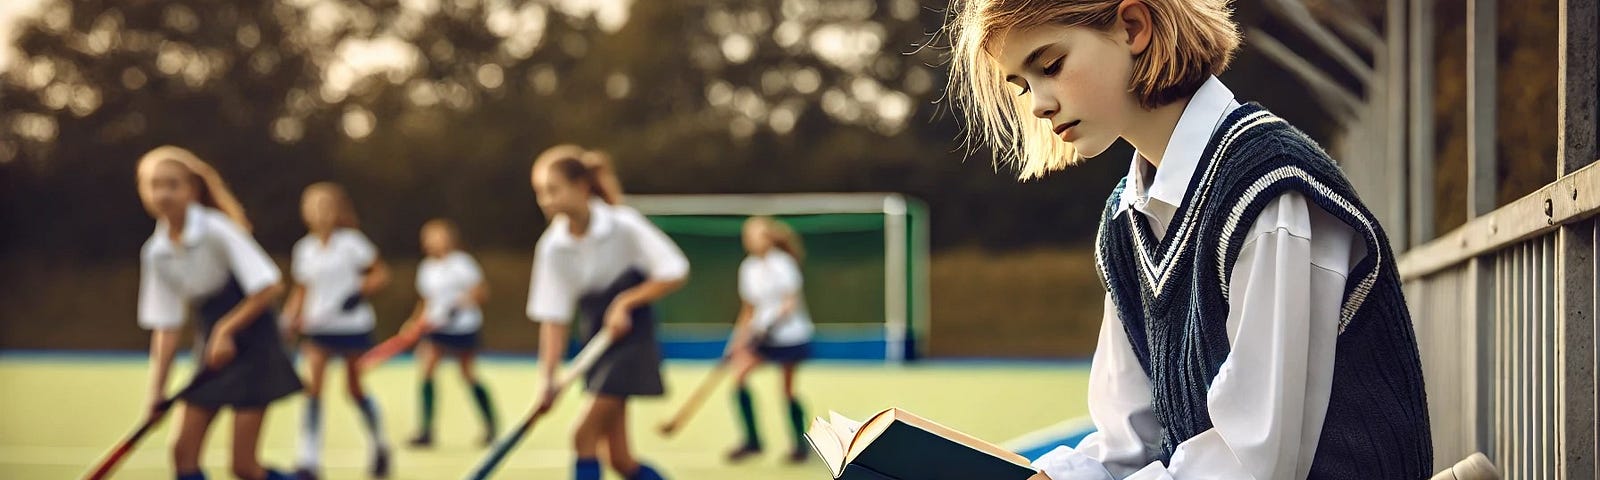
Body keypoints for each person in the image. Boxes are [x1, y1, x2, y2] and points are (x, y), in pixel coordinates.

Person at [943, 1, 1432, 478]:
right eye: (1023, 86)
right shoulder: (1125, 222)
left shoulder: (1269, 186)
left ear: (1134, 27)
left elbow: (1253, 464)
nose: (1039, 104)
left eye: (1050, 65)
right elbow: (1127, 444)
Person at [134, 145, 302, 480]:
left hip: (254, 342)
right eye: (155, 184)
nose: (163, 193)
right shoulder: (156, 252)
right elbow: (166, 327)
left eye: (172, 184)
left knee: (243, 467)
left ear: (192, 189)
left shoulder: (216, 228)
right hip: (212, 345)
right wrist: (156, 393)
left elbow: (268, 286)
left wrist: (226, 331)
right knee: (182, 454)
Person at [526, 145, 688, 480]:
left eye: (553, 190)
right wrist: (547, 378)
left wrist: (626, 302)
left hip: (631, 336)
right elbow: (553, 319)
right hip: (596, 339)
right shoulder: (552, 247)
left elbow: (675, 269)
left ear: (582, 187)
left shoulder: (623, 224)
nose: (545, 200)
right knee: (621, 461)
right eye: (540, 192)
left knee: (582, 435)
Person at [283, 182, 391, 479]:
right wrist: (288, 320)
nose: (320, 212)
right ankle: (308, 459)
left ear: (338, 210)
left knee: (354, 390)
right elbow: (302, 290)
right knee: (313, 390)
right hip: (319, 329)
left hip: (353, 327)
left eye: (326, 206)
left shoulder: (353, 242)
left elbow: (380, 274)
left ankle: (380, 444)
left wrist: (359, 292)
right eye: (314, 206)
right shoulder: (303, 249)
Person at [723, 216, 815, 464]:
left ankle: (801, 445)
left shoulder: (784, 263)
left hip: (790, 336)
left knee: (786, 390)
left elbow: (790, 302)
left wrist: (770, 324)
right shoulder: (748, 268)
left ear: (769, 237)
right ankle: (753, 441)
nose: (752, 240)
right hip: (761, 336)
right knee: (739, 377)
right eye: (748, 236)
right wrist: (736, 341)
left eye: (757, 235)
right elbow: (749, 309)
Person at [404, 218, 498, 448]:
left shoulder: (462, 264)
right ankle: (426, 430)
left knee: (467, 374)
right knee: (426, 371)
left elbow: (481, 293)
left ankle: (491, 426)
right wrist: (415, 322)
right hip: (437, 328)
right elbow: (427, 301)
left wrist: (460, 305)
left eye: (438, 235)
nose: (433, 241)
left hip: (464, 327)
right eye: (429, 237)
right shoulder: (426, 268)